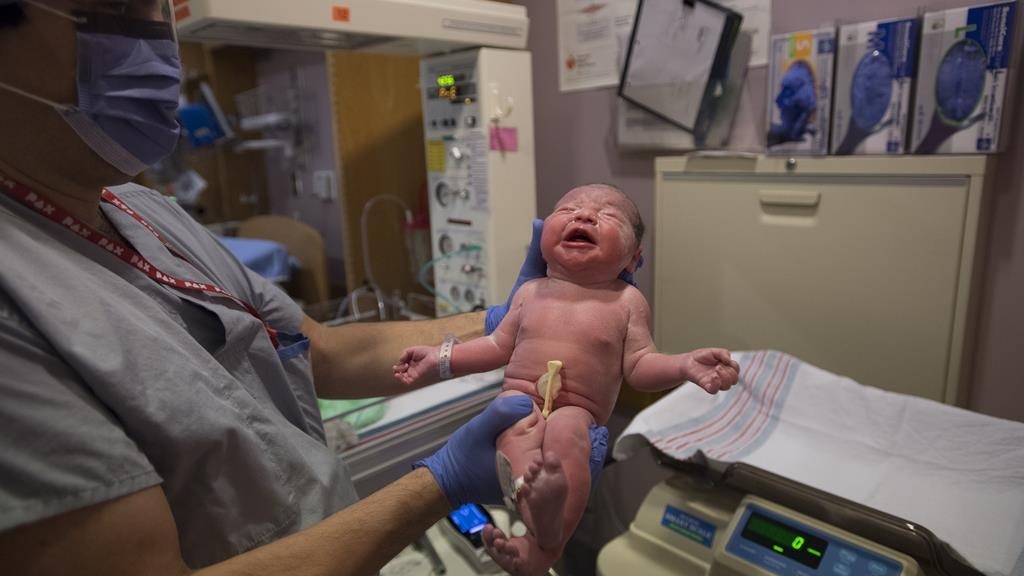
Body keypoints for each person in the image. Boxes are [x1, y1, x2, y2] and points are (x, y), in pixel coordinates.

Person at [0, 1, 607, 574]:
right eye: (118, 6)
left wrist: (519, 318)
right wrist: (440, 482)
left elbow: (327, 353)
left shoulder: (142, 211)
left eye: (159, 10)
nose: (158, 41)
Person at [393, 183, 741, 575]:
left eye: (608, 215)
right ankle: (538, 521)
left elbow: (640, 365)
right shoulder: (530, 292)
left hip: (577, 409)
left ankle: (546, 541)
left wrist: (683, 366)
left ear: (633, 258)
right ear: (543, 243)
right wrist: (440, 358)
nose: (585, 215)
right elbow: (494, 346)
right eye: (569, 208)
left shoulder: (626, 303)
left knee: (566, 438)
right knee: (518, 446)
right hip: (518, 403)